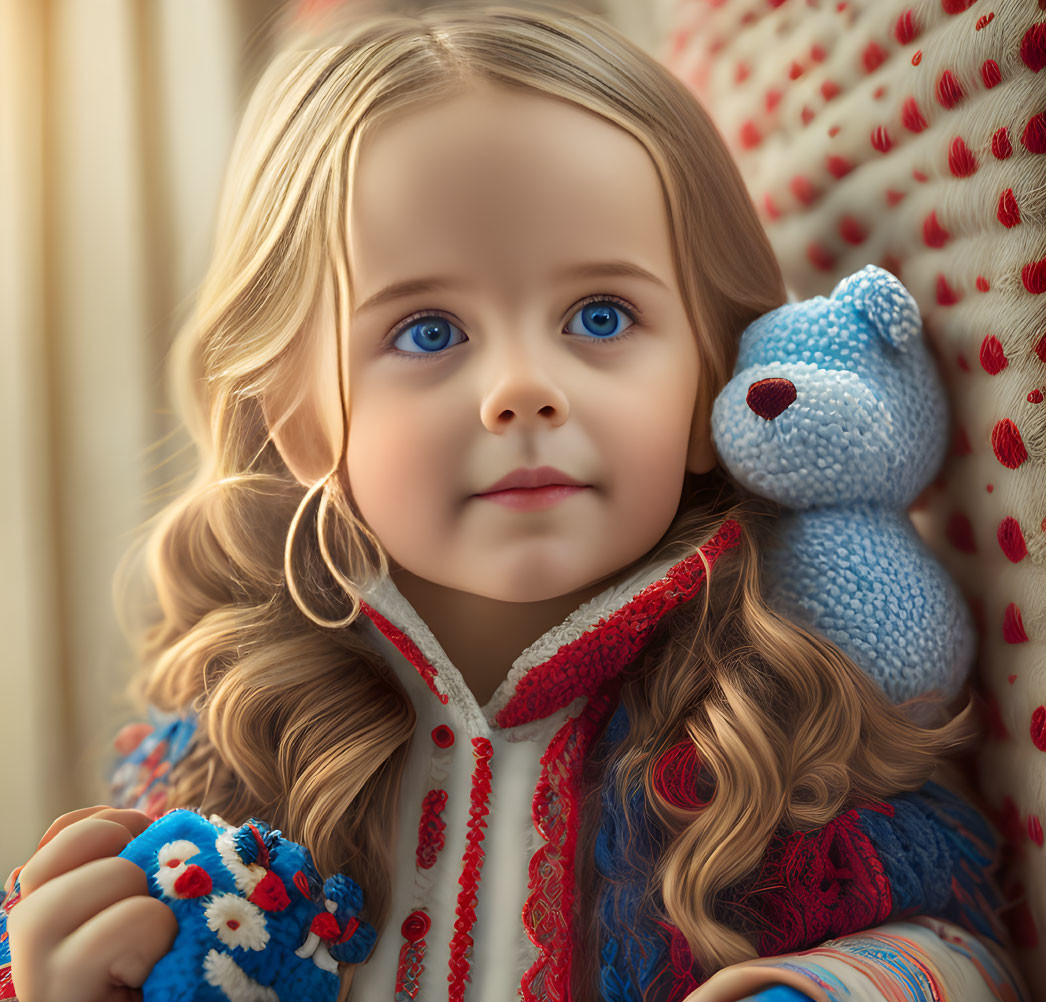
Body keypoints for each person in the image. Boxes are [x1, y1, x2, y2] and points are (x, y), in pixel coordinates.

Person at [1, 3, 1028, 1001]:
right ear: (299, 422)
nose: (522, 389)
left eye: (598, 313)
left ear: (706, 374)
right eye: (427, 332)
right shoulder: (228, 745)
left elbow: (958, 941)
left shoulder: (782, 702)